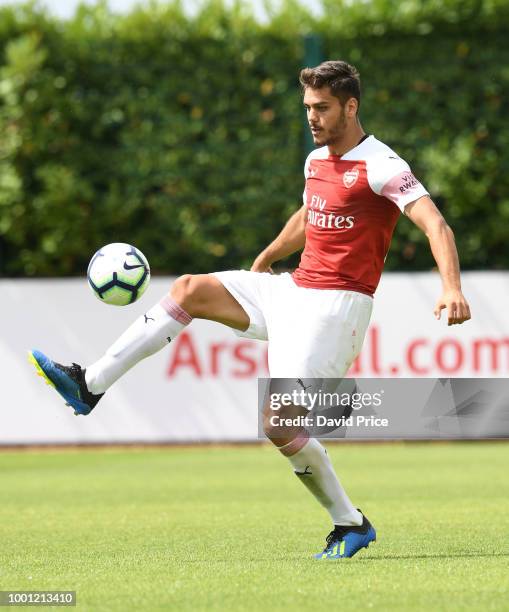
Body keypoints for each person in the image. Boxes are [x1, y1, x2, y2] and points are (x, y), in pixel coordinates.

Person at [30, 60, 471, 559]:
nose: (312, 117)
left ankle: (350, 523)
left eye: (323, 108)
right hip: (292, 289)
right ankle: (90, 385)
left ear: (351, 106)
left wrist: (451, 287)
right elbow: (310, 213)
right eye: (307, 107)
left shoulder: (383, 165)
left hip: (335, 311)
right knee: (191, 288)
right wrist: (268, 256)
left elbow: (436, 225)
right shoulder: (315, 160)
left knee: (278, 422)